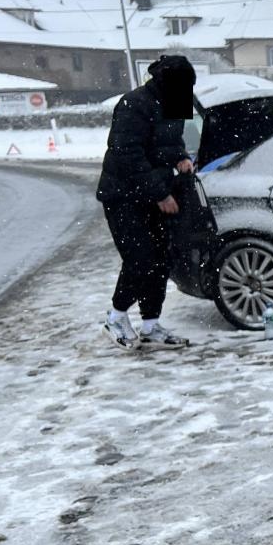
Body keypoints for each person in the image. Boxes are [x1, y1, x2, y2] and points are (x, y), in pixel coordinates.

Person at [96, 55, 197, 349]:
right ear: (165, 82)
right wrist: (160, 194)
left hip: (155, 192)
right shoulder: (134, 104)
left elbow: (173, 140)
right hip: (123, 196)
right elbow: (128, 155)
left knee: (161, 261)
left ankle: (151, 325)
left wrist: (181, 157)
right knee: (140, 260)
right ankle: (115, 317)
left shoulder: (177, 99)